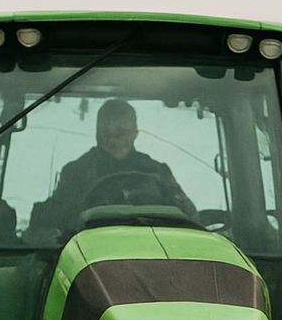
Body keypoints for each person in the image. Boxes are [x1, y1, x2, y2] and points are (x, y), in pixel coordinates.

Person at [29, 99, 198, 236]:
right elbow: (61, 220)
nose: (112, 140)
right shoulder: (76, 172)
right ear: (96, 133)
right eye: (105, 133)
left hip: (152, 253)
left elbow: (187, 217)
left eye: (120, 133)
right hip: (90, 259)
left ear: (134, 134)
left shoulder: (158, 173)